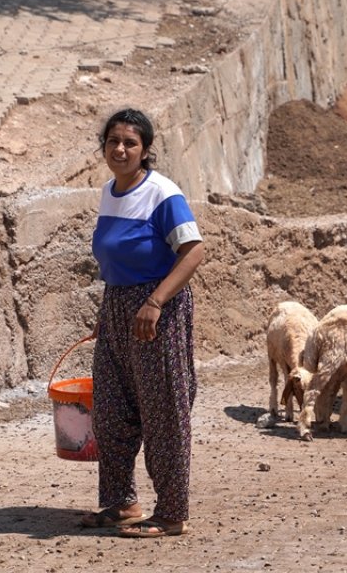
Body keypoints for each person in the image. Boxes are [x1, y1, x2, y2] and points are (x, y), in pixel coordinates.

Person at [78, 108, 206, 538]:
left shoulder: (162, 193)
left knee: (163, 413)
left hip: (157, 313)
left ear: (145, 150)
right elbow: (114, 258)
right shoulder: (109, 192)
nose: (120, 149)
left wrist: (154, 302)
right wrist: (107, 316)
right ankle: (121, 503)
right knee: (111, 411)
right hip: (116, 310)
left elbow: (193, 252)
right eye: (113, 141)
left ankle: (171, 514)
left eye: (130, 143)